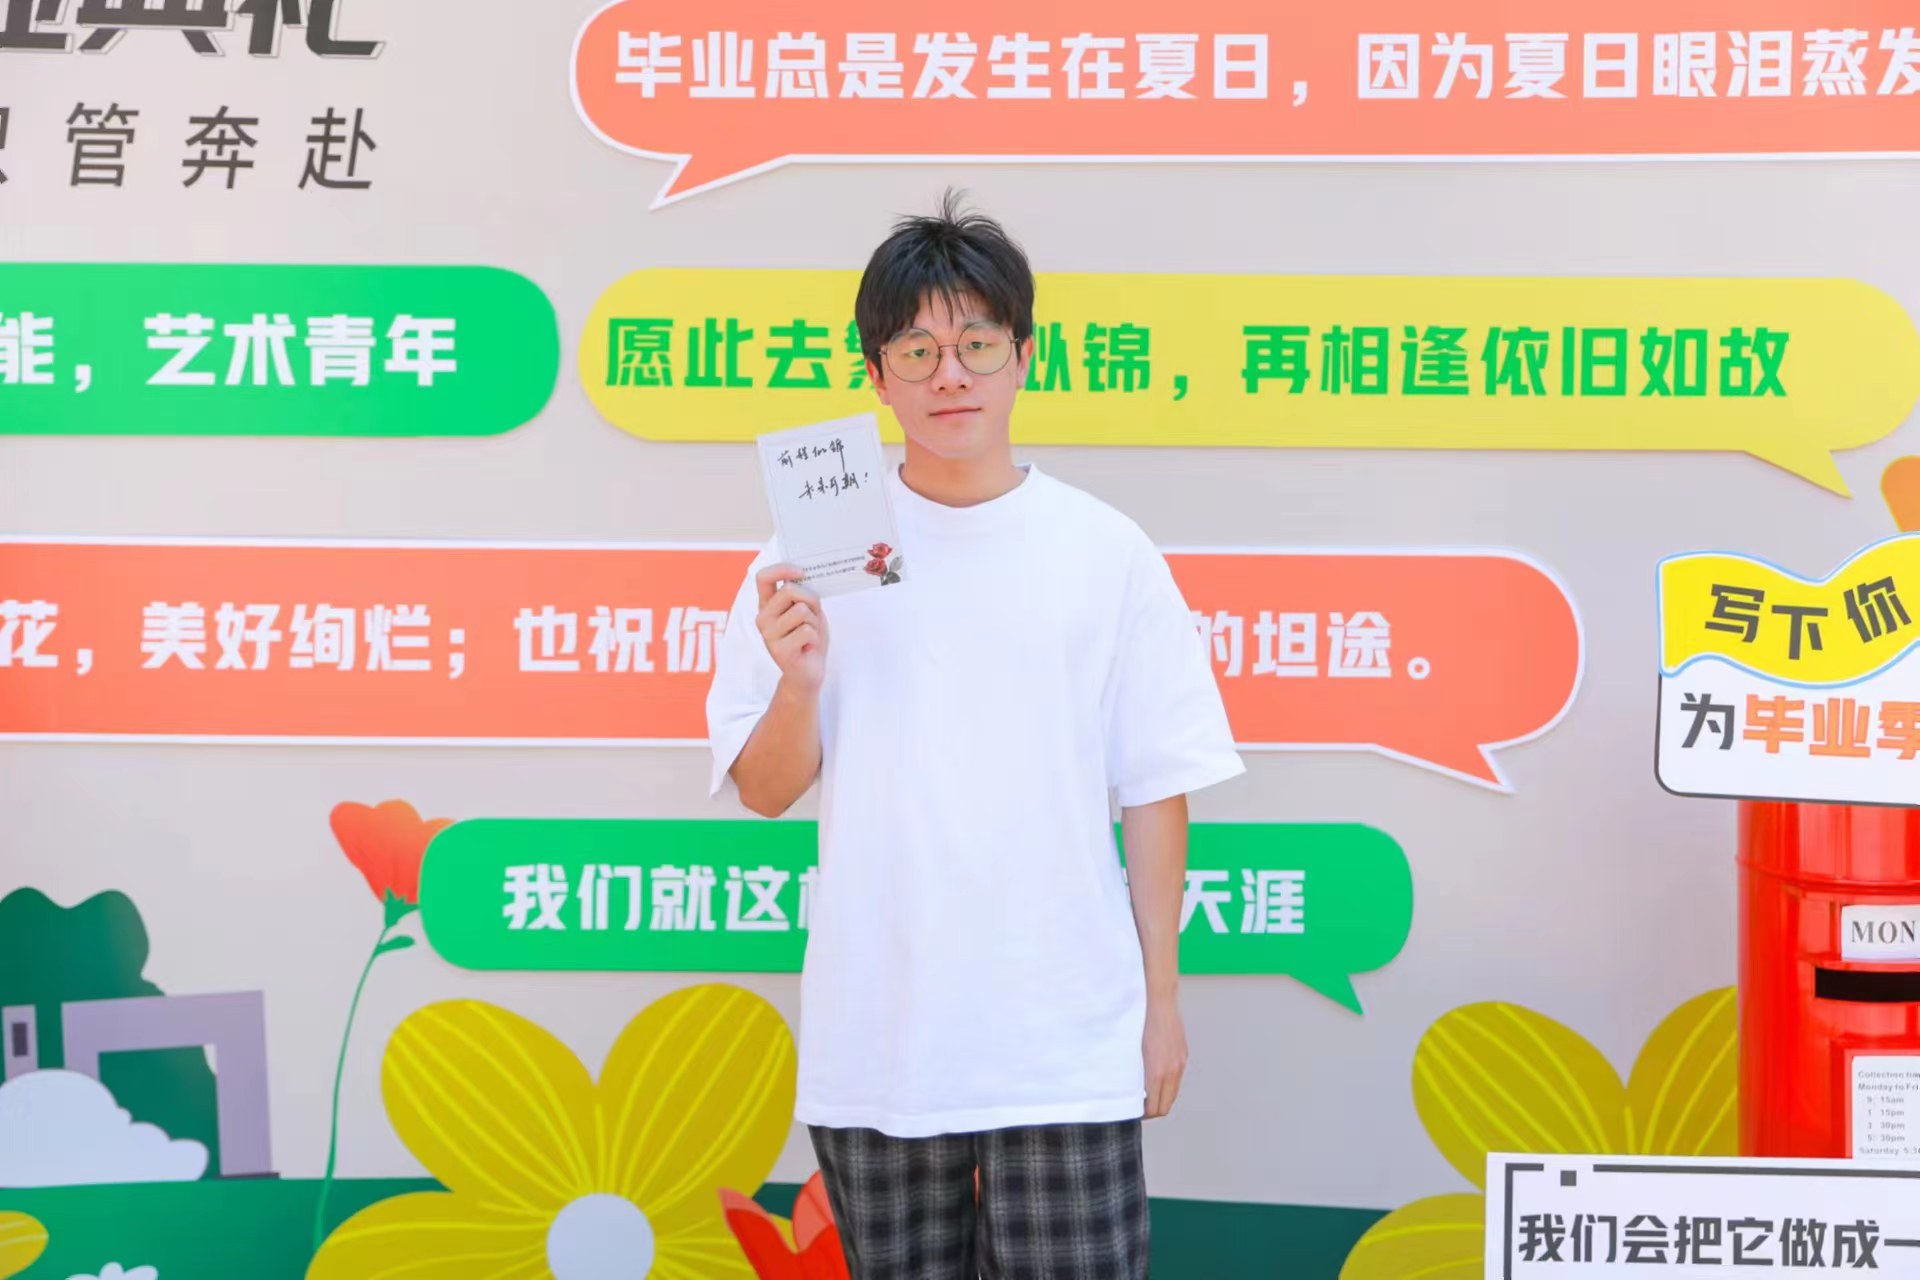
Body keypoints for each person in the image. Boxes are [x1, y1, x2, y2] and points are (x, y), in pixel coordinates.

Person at [706, 190, 1244, 1280]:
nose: (949, 374)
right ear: (876, 374)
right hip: (882, 1036)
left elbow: (1155, 787)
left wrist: (1162, 1001)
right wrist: (800, 686)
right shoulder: (810, 553)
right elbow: (763, 789)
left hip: (1064, 1034)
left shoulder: (1105, 550)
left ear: (1023, 355)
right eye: (916, 350)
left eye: (977, 343)